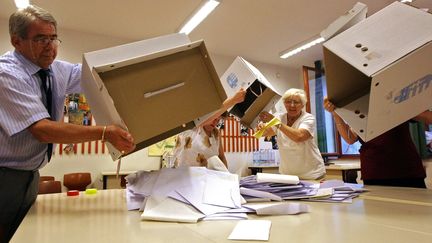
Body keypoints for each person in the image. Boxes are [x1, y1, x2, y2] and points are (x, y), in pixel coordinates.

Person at [0, 5, 135, 242]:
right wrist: (105, 133)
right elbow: (42, 130)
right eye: (41, 39)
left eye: (53, 38)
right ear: (16, 41)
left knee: (22, 236)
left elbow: (95, 76)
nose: (50, 46)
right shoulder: (7, 73)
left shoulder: (57, 70)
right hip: (5, 177)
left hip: (30, 175)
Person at [324, 97, 432, 188]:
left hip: (405, 171)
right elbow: (350, 139)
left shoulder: (393, 99)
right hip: (374, 172)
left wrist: (402, 105)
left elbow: (428, 117)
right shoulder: (361, 108)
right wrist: (335, 114)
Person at [257, 88, 326, 180]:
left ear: (302, 105)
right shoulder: (280, 118)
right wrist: (260, 128)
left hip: (312, 174)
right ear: (284, 103)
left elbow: (299, 137)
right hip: (287, 175)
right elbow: (262, 133)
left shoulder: (308, 118)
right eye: (288, 102)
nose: (292, 105)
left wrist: (275, 122)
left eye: (296, 102)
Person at [173, 89, 246, 170]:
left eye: (218, 120)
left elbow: (222, 157)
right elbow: (204, 119)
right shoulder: (193, 125)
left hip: (204, 178)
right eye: (214, 118)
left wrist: (225, 175)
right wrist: (233, 100)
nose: (215, 122)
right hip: (182, 175)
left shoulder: (216, 133)